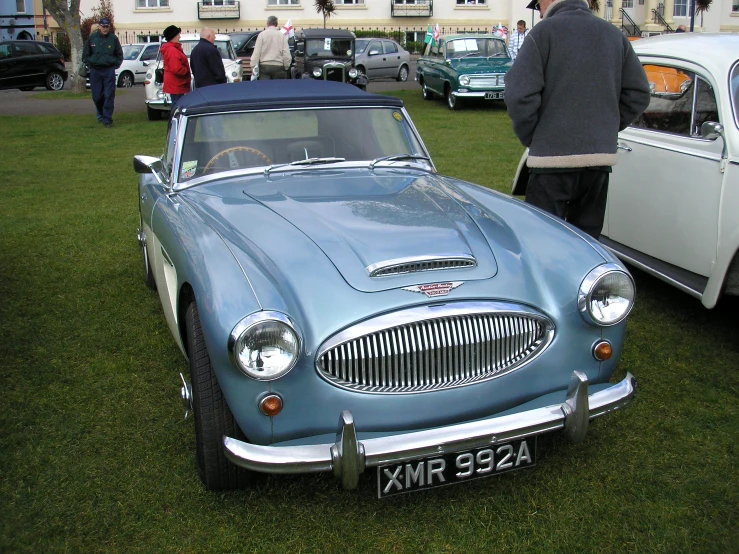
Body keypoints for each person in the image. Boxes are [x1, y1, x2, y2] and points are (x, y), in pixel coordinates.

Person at [504, 0, 650, 239]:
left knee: (540, 241)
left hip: (551, 161)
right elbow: (638, 93)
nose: (539, 13)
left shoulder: (543, 32)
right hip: (597, 161)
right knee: (587, 245)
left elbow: (518, 94)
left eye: (538, 5)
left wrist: (534, 135)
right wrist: (606, 127)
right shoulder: (613, 35)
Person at [82, 17, 123, 128]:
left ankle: (107, 119)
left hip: (108, 70)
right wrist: (89, 63)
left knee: (109, 95)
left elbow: (119, 54)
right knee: (97, 96)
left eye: (107, 27)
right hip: (95, 70)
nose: (105, 29)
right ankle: (100, 113)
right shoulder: (92, 38)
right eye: (103, 26)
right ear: (99, 26)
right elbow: (86, 55)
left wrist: (115, 64)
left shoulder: (113, 39)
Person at [160, 25, 191, 112]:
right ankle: (175, 123)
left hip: (176, 83)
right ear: (174, 36)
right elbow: (176, 68)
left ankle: (175, 122)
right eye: (178, 34)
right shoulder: (172, 50)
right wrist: (186, 71)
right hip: (177, 84)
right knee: (177, 106)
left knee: (177, 104)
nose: (179, 36)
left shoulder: (172, 48)